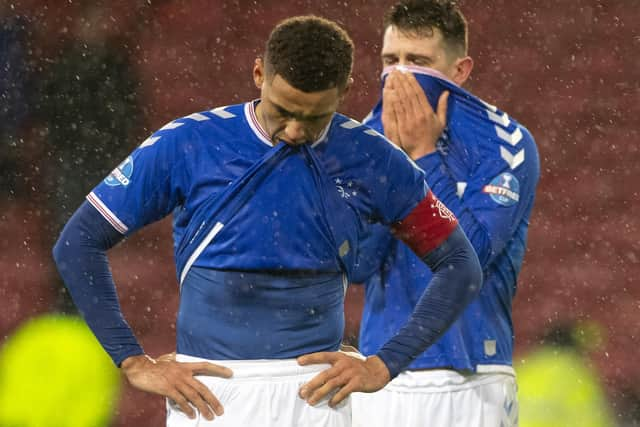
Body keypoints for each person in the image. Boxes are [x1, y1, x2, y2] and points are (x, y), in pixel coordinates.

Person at [52, 15, 482, 427]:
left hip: (316, 399)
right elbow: (78, 242)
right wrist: (132, 360)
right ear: (259, 74)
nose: (295, 130)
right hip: (209, 397)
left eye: (314, 117)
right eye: (283, 111)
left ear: (345, 91)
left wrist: (385, 363)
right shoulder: (188, 143)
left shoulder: (374, 160)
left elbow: (460, 266)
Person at [351, 1, 540, 426]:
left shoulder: (504, 142)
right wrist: (391, 162)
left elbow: (468, 253)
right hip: (382, 375)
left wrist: (421, 156)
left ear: (459, 70)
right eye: (390, 60)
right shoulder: (362, 141)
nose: (399, 75)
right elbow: (358, 263)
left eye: (418, 61)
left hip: (471, 375)